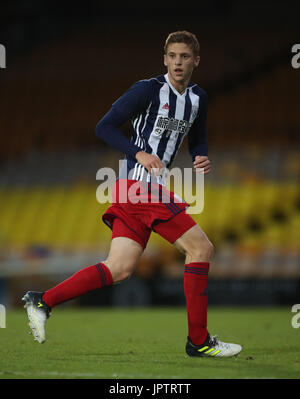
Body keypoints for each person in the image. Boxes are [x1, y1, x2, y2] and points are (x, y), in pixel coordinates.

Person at [23, 31, 242, 357]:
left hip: (134, 192)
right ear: (164, 59)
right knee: (201, 248)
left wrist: (200, 154)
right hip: (139, 186)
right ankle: (198, 340)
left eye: (185, 57)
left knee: (119, 268)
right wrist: (137, 152)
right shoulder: (147, 90)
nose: (178, 62)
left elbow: (198, 137)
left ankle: (43, 301)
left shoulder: (198, 99)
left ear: (196, 61)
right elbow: (104, 127)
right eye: (172, 56)